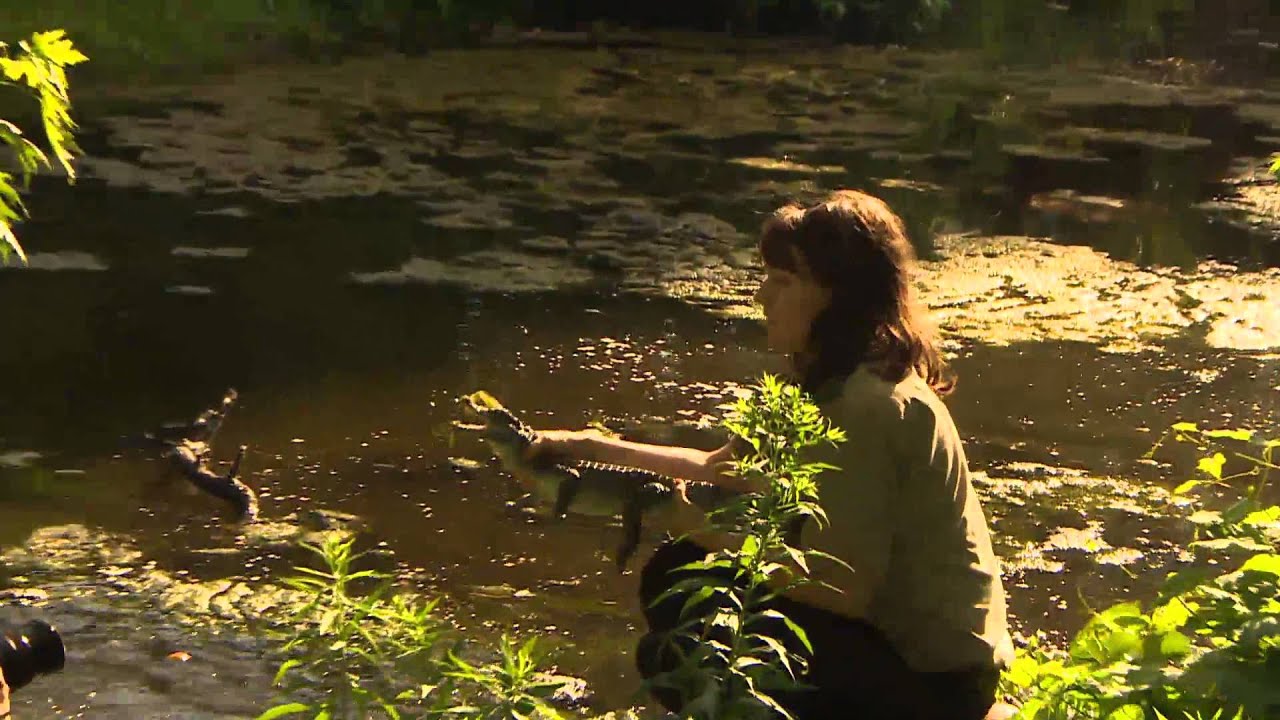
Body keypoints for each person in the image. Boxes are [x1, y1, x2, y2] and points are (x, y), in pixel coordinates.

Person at [525, 189, 1014, 719]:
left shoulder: (872, 405)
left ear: (837, 297)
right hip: (883, 646)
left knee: (677, 637)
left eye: (783, 282)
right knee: (677, 574)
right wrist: (583, 448)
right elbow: (719, 469)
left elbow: (842, 588)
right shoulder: (824, 380)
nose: (762, 296)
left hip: (937, 684)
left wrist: (694, 523)